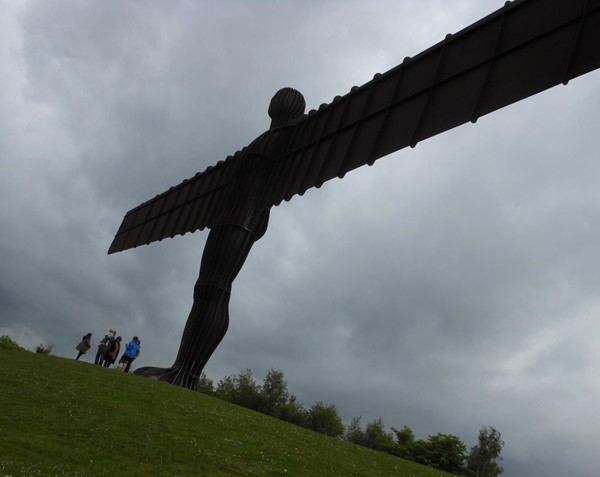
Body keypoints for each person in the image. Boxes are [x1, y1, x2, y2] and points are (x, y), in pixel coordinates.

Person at [135, 88, 306, 389]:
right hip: (227, 217)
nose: (273, 102)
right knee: (205, 288)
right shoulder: (262, 140)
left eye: (281, 99)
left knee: (216, 288)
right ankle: (181, 368)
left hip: (243, 219)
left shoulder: (294, 138)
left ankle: (187, 373)